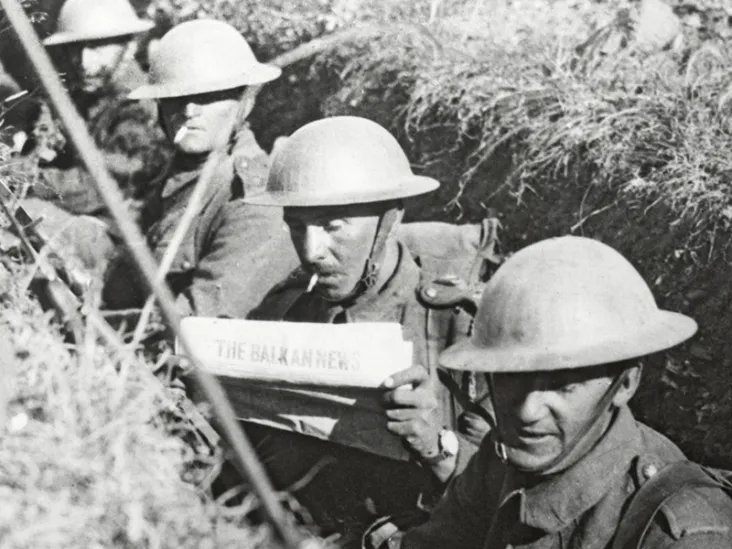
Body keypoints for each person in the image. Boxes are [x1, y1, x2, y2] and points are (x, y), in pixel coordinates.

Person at [379, 236, 732, 549]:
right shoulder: (501, 460)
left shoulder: (680, 533)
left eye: (564, 385)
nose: (528, 410)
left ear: (625, 384)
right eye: (512, 378)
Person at [238, 116, 492, 545]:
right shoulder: (283, 311)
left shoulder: (461, 326)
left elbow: (508, 496)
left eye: (333, 225)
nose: (311, 250)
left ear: (390, 218)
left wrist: (435, 444)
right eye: (296, 226)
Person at [101, 19, 299, 321]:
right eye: (175, 98)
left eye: (207, 97)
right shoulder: (181, 175)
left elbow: (199, 323)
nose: (189, 111)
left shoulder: (254, 201)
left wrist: (89, 326)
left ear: (246, 102)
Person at [23, 0, 171, 217]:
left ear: (129, 47)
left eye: (96, 47)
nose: (83, 61)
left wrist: (22, 178)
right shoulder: (90, 95)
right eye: (75, 48)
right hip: (86, 217)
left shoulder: (138, 108)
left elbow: (95, 187)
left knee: (26, 213)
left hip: (121, 232)